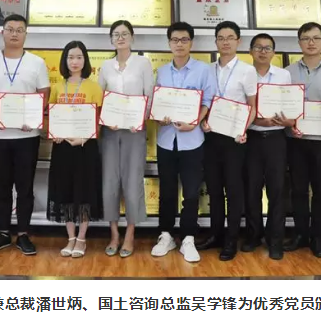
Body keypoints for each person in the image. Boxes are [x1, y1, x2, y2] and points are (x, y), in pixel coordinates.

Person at [0, 14, 50, 255]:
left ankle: (24, 234)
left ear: (26, 34)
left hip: (27, 136)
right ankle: (3, 233)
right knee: (2, 187)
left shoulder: (36, 63)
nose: (15, 33)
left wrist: (34, 116)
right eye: (10, 29)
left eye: (20, 30)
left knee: (25, 188)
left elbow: (44, 93)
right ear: (3, 33)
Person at [150, 22, 216, 263]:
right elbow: (157, 103)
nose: (179, 44)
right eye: (175, 40)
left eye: (184, 40)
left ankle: (188, 237)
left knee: (191, 192)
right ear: (169, 43)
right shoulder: (161, 72)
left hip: (193, 140)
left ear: (191, 43)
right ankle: (166, 235)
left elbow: (208, 101)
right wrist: (159, 117)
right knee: (167, 190)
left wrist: (195, 122)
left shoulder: (203, 70)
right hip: (166, 140)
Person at [284, 22, 321, 258]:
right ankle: (300, 234)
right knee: (298, 190)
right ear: (299, 42)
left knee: (320, 190)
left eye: (316, 38)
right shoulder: (287, 72)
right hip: (295, 140)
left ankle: (317, 237)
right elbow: (283, 105)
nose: (311, 42)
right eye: (306, 38)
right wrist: (288, 122)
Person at [197, 21, 257, 261]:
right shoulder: (207, 69)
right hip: (211, 137)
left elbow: (252, 107)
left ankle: (231, 239)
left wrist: (244, 128)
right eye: (221, 38)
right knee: (214, 189)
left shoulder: (247, 70)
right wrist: (202, 121)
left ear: (238, 41)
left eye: (230, 37)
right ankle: (215, 234)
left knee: (233, 190)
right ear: (216, 42)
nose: (225, 42)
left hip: (235, 139)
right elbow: (203, 102)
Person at [98, 20, 154, 258]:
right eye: (116, 34)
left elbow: (149, 96)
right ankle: (114, 234)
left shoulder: (143, 63)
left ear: (132, 37)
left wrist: (139, 119)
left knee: (132, 184)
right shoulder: (105, 66)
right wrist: (105, 118)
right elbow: (100, 98)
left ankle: (130, 234)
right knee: (109, 184)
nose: (120, 38)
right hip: (110, 132)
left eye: (124, 34)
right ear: (111, 39)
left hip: (134, 131)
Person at [47, 41, 104, 258]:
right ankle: (70, 238)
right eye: (70, 57)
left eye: (79, 57)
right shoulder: (57, 87)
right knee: (65, 192)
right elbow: (52, 116)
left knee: (84, 192)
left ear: (85, 60)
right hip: (62, 148)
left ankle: (82, 238)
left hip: (85, 147)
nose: (75, 61)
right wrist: (55, 133)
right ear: (65, 60)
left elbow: (99, 120)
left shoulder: (93, 87)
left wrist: (84, 138)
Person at [242, 33, 292, 260]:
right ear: (250, 51)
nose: (263, 51)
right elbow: (240, 106)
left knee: (277, 191)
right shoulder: (243, 74)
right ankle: (253, 236)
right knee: (251, 190)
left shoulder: (283, 75)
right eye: (258, 47)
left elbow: (290, 104)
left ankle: (275, 240)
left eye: (267, 48)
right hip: (251, 138)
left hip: (276, 139)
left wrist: (286, 119)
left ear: (273, 52)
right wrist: (257, 121)